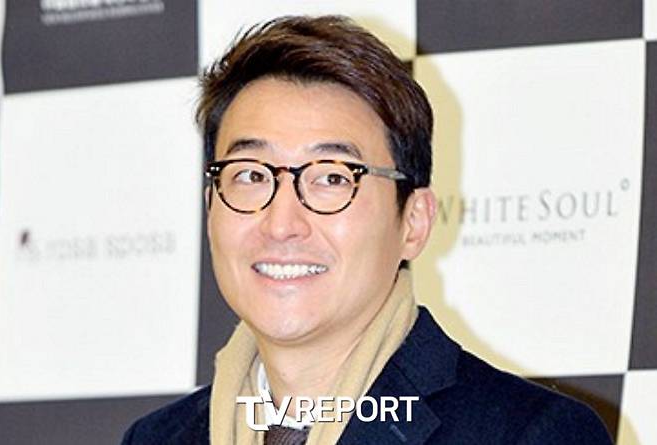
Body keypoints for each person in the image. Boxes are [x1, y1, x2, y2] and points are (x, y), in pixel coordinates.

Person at [121, 15, 612, 445]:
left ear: (413, 221)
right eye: (251, 175)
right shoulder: (157, 438)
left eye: (333, 178)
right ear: (211, 206)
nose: (282, 223)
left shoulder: (530, 434)